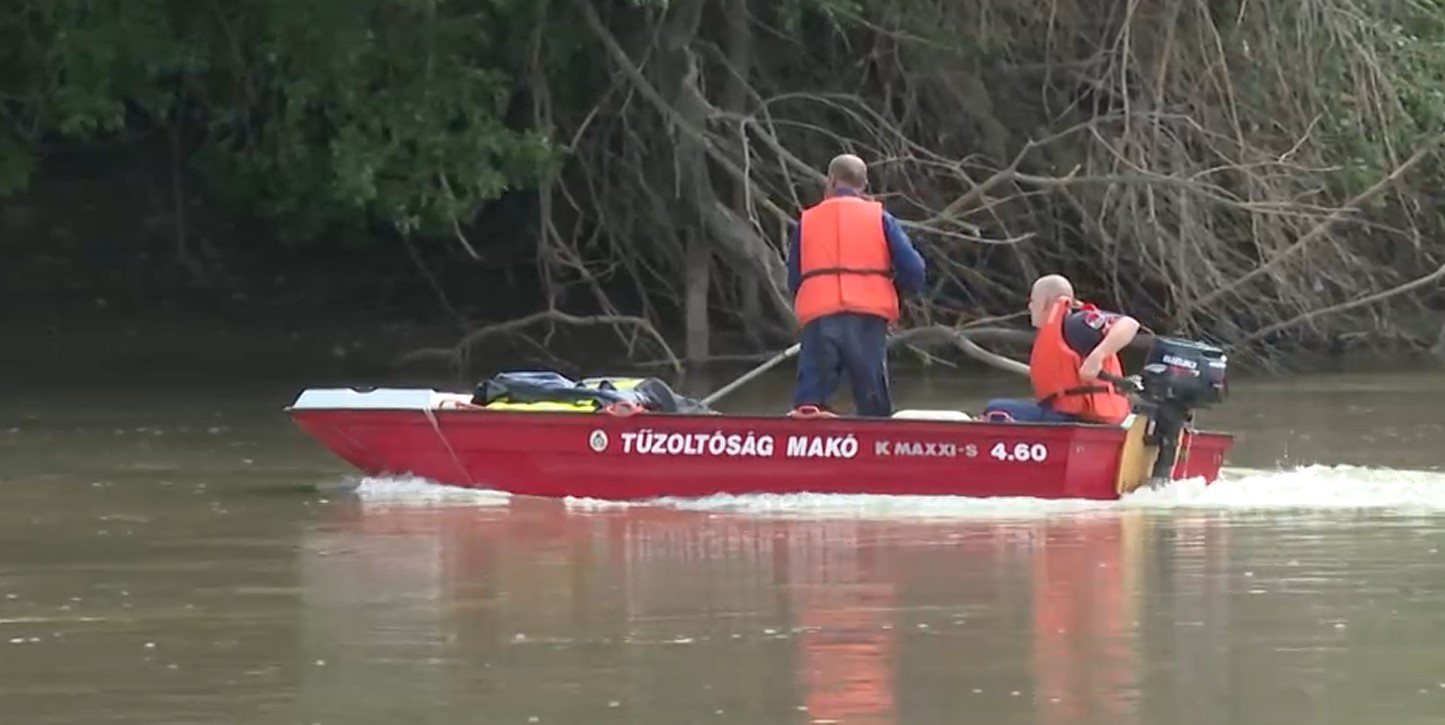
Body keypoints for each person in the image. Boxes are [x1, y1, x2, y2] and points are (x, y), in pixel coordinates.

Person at [786, 154, 926, 418]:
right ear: (863, 185)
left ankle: (805, 448)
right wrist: (896, 291)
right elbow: (915, 270)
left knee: (809, 402)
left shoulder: (808, 221)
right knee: (872, 401)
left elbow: (794, 277)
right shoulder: (880, 218)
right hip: (867, 317)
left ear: (832, 181)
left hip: (820, 314)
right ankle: (873, 449)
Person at [982, 274, 1139, 424]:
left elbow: (1129, 324)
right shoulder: (1059, 328)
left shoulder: (1075, 324)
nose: (1030, 306)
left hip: (1076, 417)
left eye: (1033, 301)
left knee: (994, 409)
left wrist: (1097, 357)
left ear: (1045, 302)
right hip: (1074, 414)